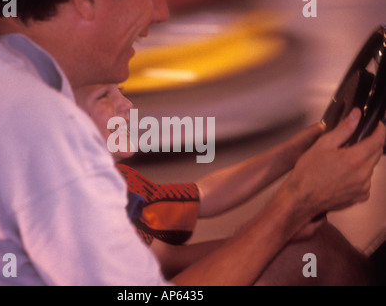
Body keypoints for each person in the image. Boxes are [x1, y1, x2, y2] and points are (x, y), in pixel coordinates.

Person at [0, 0, 384, 286]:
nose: (161, 11)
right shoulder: (45, 129)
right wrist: (294, 204)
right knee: (319, 261)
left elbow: (162, 257)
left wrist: (291, 173)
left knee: (308, 251)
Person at [75, 83, 378, 285]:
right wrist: (283, 224)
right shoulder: (82, 207)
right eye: (104, 96)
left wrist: (291, 154)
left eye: (121, 91)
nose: (126, 104)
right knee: (316, 253)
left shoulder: (119, 183)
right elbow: (167, 266)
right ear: (65, 119)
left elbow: (203, 195)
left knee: (315, 244)